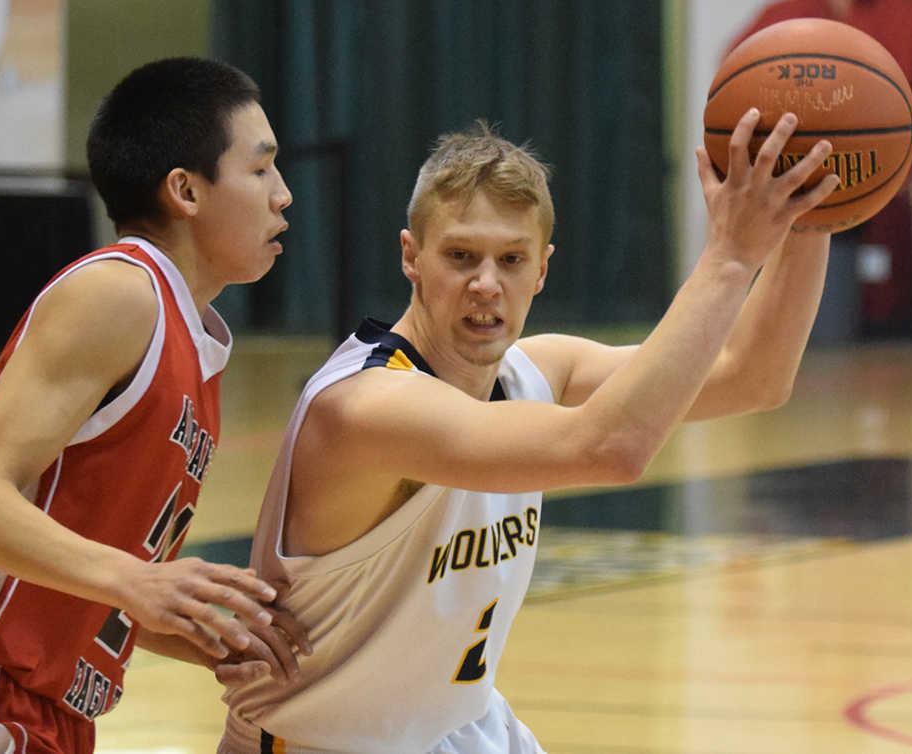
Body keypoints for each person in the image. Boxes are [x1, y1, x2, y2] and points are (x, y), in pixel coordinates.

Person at [218, 110, 840, 753]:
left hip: (461, 726)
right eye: (461, 256)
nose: (487, 284)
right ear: (411, 256)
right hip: (329, 742)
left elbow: (752, 376)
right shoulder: (365, 407)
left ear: (541, 270)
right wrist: (731, 257)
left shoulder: (534, 370)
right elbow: (609, 447)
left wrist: (815, 210)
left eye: (510, 259)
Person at [0, 57, 310, 754]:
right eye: (261, 170)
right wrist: (137, 579)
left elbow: (94, 579)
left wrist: (208, 636)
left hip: (53, 714)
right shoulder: (120, 293)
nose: (283, 195)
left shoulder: (193, 340)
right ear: (186, 191)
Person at [731, 0, 912, 334]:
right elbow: (735, 82)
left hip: (882, 190)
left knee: (887, 327)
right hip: (801, 193)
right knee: (804, 327)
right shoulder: (786, 14)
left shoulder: (911, 14)